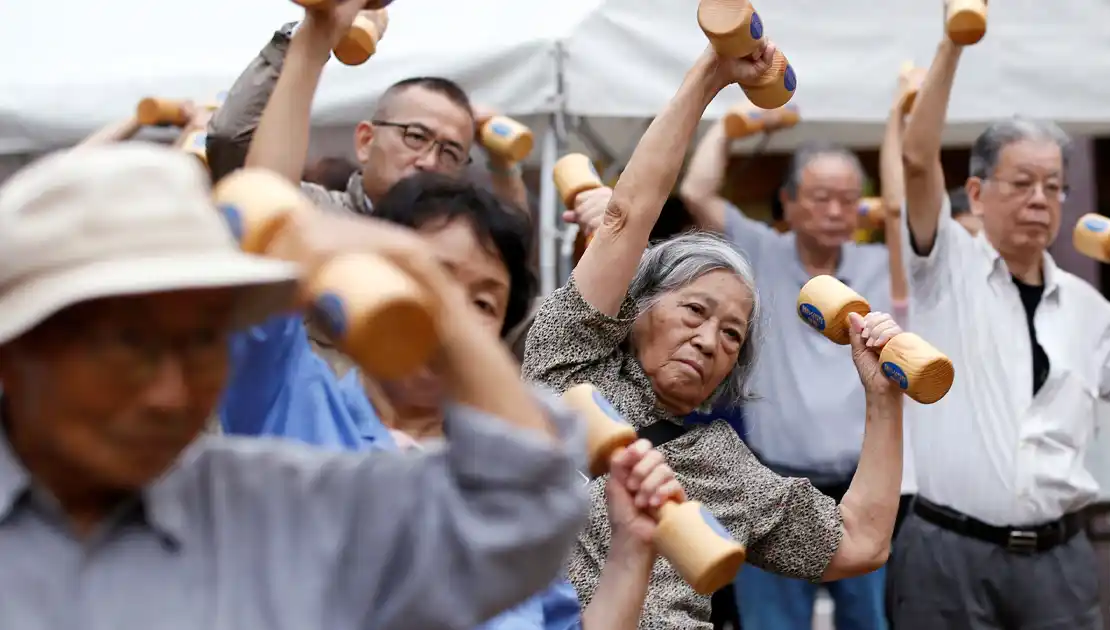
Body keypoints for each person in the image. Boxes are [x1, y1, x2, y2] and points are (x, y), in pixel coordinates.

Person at [0, 143, 589, 630]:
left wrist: (427, 287)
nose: (171, 395)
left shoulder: (277, 509)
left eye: (202, 343)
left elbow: (524, 509)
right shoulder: (294, 445)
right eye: (130, 345)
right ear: (17, 351)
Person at [522, 40, 906, 629]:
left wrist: (883, 400)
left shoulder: (723, 462)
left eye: (732, 336)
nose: (708, 341)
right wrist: (711, 74)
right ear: (637, 307)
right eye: (694, 311)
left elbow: (860, 543)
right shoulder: (567, 366)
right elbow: (627, 218)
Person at [220, 169, 682, 629]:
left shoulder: (508, 490)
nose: (449, 314)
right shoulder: (289, 397)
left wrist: (631, 551)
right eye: (432, 276)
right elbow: (259, 216)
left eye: (483, 304)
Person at [893, 28, 1110, 630]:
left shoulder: (1084, 305)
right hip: (947, 554)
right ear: (977, 193)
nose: (1039, 200)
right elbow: (917, 159)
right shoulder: (945, 266)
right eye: (1022, 183)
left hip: (1058, 557)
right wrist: (953, 43)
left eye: (1053, 187)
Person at [676, 77, 912, 630]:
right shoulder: (760, 252)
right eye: (821, 197)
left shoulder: (879, 266)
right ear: (789, 201)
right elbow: (696, 192)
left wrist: (899, 120)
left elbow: (907, 210)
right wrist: (728, 128)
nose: (835, 210)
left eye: (848, 199)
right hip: (773, 483)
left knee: (868, 622)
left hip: (861, 485)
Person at [206, 0, 528, 214]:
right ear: (365, 141)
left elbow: (511, 249)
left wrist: (503, 164)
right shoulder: (314, 215)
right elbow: (232, 141)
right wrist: (313, 34)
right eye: (416, 136)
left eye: (450, 153)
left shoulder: (455, 250)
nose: (429, 162)